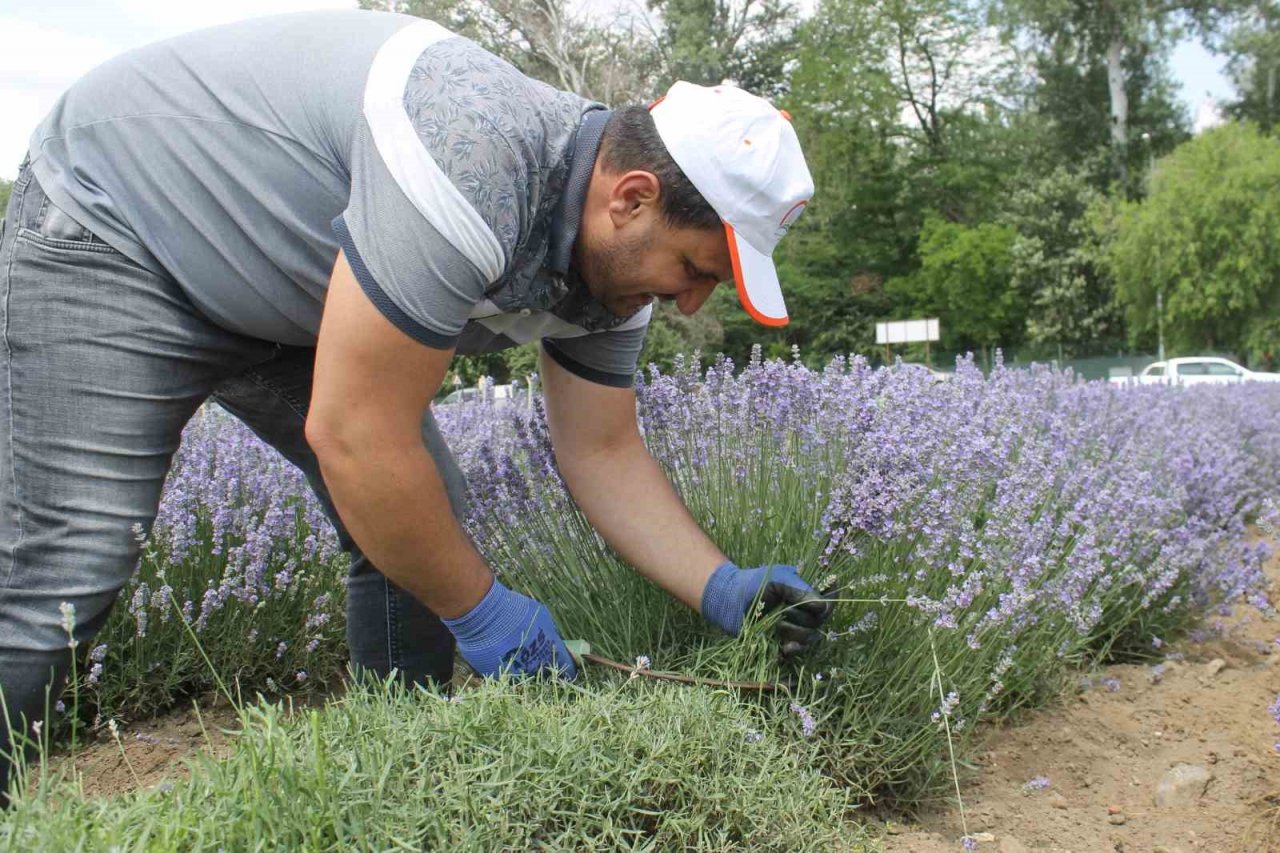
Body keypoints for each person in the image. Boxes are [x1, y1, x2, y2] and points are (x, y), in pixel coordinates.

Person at [0, 9, 832, 796]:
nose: (690, 303)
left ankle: (392, 787)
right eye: (695, 269)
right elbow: (357, 436)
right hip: (121, 228)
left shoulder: (615, 278)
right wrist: (484, 610)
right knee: (68, 563)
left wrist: (722, 586)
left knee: (419, 524)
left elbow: (603, 451)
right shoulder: (473, 156)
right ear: (631, 198)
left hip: (284, 296)